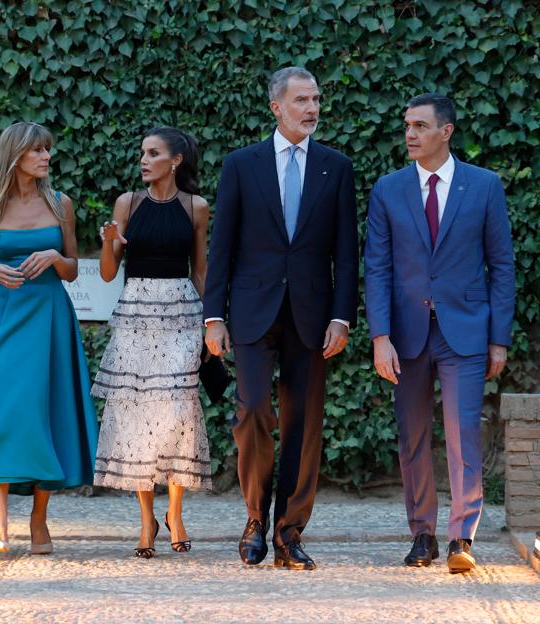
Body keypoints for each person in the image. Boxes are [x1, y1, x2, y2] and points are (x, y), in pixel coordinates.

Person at [204, 67, 358, 570]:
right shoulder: (241, 165)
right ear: (277, 107)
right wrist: (213, 316)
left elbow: (346, 254)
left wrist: (342, 317)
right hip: (251, 311)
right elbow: (221, 245)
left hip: (313, 316)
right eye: (301, 100)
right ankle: (254, 518)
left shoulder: (336, 167)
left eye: (316, 99)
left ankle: (289, 533)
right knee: (252, 413)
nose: (312, 108)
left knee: (304, 423)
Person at [364, 93, 515, 573]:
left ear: (446, 131)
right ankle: (422, 535)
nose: (410, 133)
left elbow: (502, 265)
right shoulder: (388, 189)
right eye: (407, 124)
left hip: (465, 333)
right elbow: (378, 267)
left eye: (420, 126)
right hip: (406, 335)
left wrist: (499, 338)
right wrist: (380, 336)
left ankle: (461, 538)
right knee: (411, 437)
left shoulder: (485, 186)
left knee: (463, 433)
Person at [0, 122, 98, 555]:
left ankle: (39, 519)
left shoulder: (61, 205)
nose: (46, 157)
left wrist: (57, 256)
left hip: (51, 316)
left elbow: (73, 268)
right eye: (37, 151)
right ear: (15, 156)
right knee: (5, 409)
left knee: (47, 410)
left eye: (47, 150)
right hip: (6, 315)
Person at [92, 126, 212, 559]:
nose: (144, 160)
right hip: (136, 316)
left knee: (179, 413)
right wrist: (109, 243)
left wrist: (214, 322)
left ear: (176, 160)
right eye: (142, 152)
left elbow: (200, 271)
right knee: (136, 419)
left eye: (153, 153)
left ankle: (175, 513)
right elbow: (108, 272)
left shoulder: (196, 207)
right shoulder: (127, 203)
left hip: (182, 315)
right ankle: (146, 521)